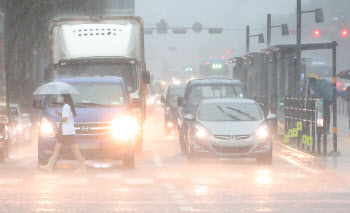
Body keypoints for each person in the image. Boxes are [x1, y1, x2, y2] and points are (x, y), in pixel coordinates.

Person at [40, 94, 86, 171]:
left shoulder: (66, 106)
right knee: (58, 147)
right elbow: (64, 116)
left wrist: (58, 120)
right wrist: (58, 113)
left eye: (60, 96)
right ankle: (50, 165)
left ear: (64, 98)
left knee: (73, 148)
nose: (59, 98)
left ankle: (82, 166)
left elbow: (65, 118)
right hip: (66, 131)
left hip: (67, 131)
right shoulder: (67, 106)